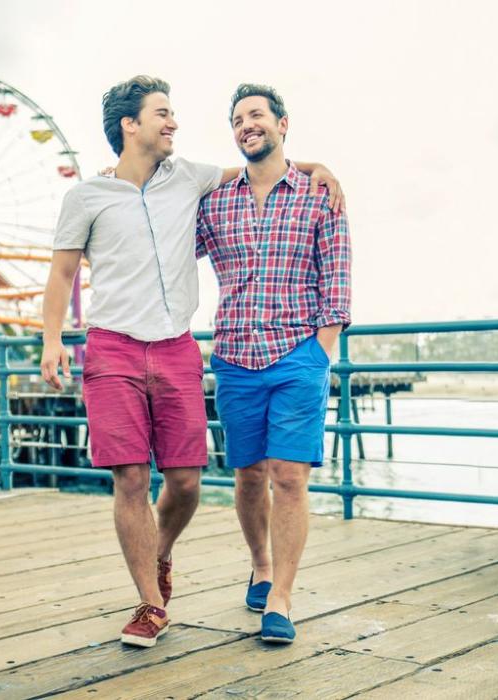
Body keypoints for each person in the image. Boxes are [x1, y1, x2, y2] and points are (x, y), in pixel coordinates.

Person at [40, 75, 342, 648]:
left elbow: (263, 163)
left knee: (185, 481)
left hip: (179, 346)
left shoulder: (191, 177)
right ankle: (152, 605)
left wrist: (318, 163)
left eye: (173, 112)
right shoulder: (86, 196)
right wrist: (52, 338)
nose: (173, 122)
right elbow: (61, 273)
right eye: (162, 113)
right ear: (131, 125)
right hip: (114, 345)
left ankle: (161, 552)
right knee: (130, 477)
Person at [196, 83, 352, 644]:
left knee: (289, 478)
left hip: (297, 357)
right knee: (247, 476)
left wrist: (320, 351)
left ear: (282, 123)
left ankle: (280, 599)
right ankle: (260, 565)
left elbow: (336, 277)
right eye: (237, 119)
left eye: (256, 115)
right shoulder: (214, 201)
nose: (246, 125)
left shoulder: (319, 194)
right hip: (235, 357)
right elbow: (163, 243)